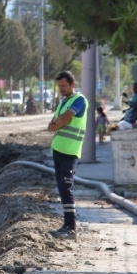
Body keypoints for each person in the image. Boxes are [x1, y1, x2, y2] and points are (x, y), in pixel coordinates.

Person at [47, 70, 88, 240]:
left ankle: (71, 227)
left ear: (73, 84)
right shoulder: (64, 102)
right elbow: (52, 124)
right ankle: (66, 224)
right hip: (58, 149)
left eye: (64, 85)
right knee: (62, 188)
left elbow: (65, 119)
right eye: (59, 86)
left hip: (70, 151)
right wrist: (58, 122)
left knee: (66, 187)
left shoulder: (79, 100)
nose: (61, 89)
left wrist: (58, 122)